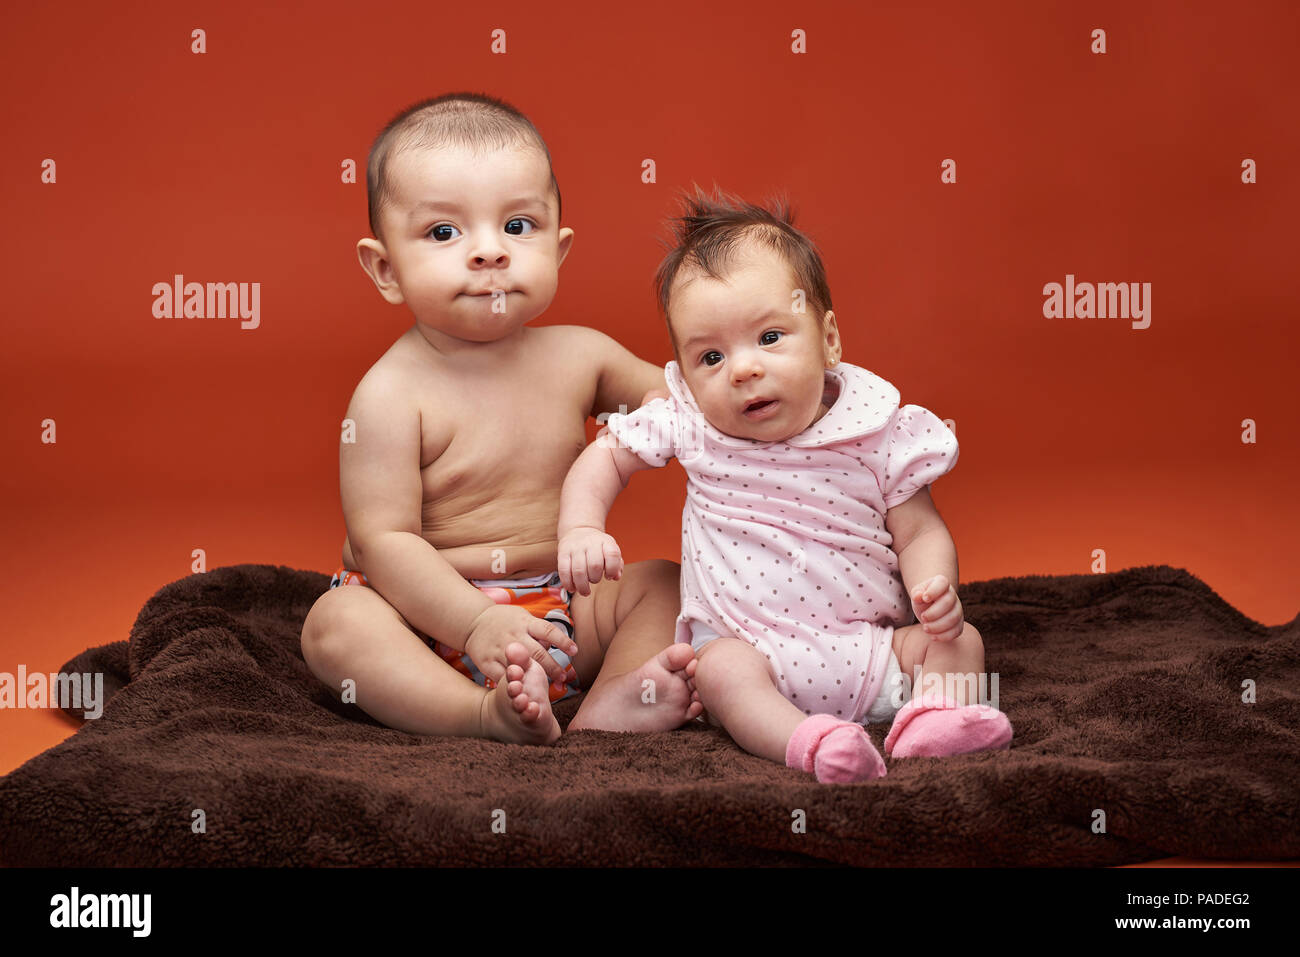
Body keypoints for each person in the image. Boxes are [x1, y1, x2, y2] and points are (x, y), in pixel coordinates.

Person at [557, 186, 1012, 782]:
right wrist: (582, 526)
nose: (743, 368)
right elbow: (607, 457)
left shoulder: (875, 430)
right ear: (688, 375)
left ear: (828, 341)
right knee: (716, 669)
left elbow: (920, 529)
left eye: (770, 338)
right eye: (711, 358)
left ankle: (934, 719)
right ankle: (807, 743)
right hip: (756, 660)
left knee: (962, 643)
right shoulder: (693, 423)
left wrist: (936, 589)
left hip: (874, 652)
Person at [301, 92, 703, 746]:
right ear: (385, 269)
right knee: (335, 624)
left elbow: (689, 407)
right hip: (427, 622)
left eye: (518, 227)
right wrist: (474, 625)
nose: (489, 252)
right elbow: (385, 542)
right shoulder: (389, 394)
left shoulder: (583, 357)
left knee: (665, 583)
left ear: (560, 249)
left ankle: (611, 703)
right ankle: (477, 714)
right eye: (443, 232)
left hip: (563, 610)